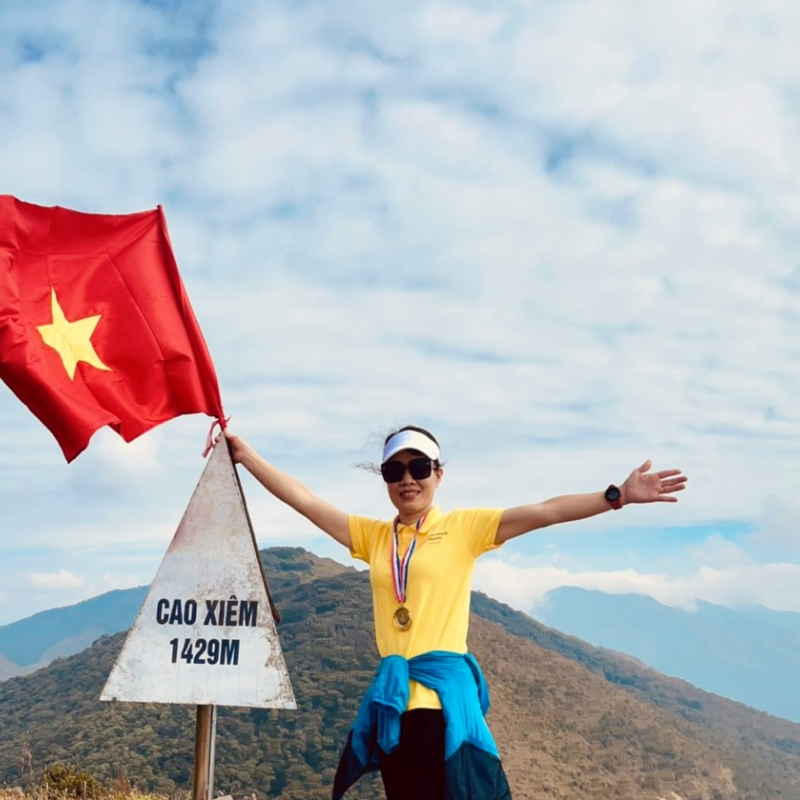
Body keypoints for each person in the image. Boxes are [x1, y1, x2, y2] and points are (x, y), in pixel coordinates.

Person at [224, 425, 687, 800]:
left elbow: (545, 511)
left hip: (442, 707)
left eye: (419, 467)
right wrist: (248, 457)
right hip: (393, 705)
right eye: (395, 470)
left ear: (438, 474)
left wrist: (616, 496)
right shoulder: (374, 537)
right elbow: (305, 501)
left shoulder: (464, 528)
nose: (408, 478)